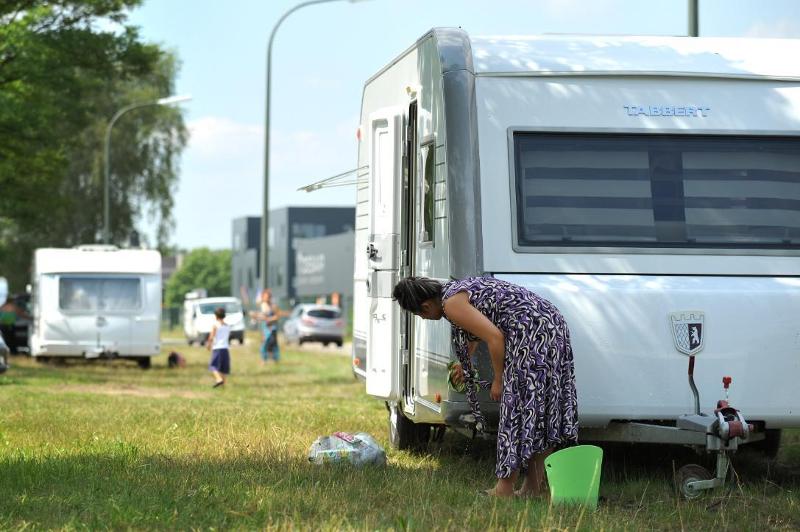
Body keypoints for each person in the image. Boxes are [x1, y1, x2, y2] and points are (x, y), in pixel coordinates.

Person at [392, 276, 578, 498]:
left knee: (517, 410)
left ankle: (504, 489)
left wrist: (499, 379)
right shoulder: (455, 289)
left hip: (532, 333)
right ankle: (532, 489)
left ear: (425, 306)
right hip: (549, 324)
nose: (423, 318)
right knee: (538, 410)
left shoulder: (451, 305)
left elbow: (495, 337)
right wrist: (465, 363)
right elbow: (479, 327)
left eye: (420, 314)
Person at [249, 288, 282, 365]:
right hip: (264, 328)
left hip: (272, 328)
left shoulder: (273, 306)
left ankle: (275, 360)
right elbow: (259, 316)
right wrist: (254, 316)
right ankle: (264, 360)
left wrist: (268, 319)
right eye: (265, 296)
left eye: (268, 297)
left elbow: (277, 316)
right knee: (264, 344)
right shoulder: (261, 306)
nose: (266, 298)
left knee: (272, 344)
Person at [206, 307, 231, 387]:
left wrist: (208, 345)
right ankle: (223, 384)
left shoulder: (215, 325)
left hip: (217, 348)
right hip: (225, 348)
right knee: (223, 368)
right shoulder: (227, 326)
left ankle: (219, 379)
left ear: (216, 316)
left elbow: (211, 337)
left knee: (213, 366)